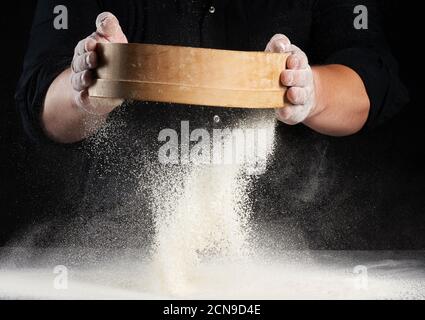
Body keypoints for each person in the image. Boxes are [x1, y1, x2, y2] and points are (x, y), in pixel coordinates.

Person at [15, 0, 408, 248]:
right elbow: (41, 102)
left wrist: (311, 92)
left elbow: (371, 83)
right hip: (116, 249)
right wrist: (85, 91)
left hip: (281, 252)